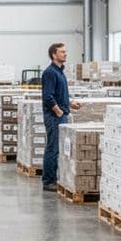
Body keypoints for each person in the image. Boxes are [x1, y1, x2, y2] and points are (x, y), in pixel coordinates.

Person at [41, 43, 82, 192]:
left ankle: (53, 177)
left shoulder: (60, 72)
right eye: (62, 52)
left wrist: (71, 103)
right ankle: (48, 181)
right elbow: (48, 96)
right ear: (54, 54)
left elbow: (60, 94)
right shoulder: (50, 72)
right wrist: (58, 110)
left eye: (65, 51)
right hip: (54, 117)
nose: (65, 54)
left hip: (62, 114)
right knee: (52, 148)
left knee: (57, 148)